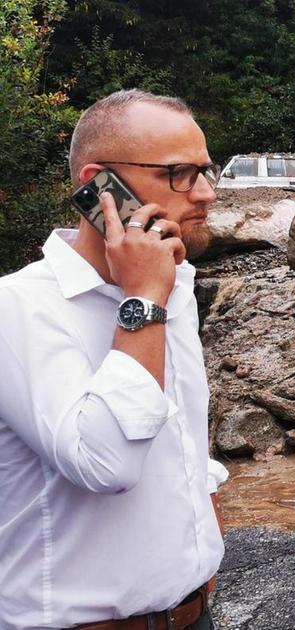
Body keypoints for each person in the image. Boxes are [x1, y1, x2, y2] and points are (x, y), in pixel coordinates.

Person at [0, 89, 227, 629]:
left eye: (206, 170)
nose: (206, 193)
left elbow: (183, 437)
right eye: (179, 173)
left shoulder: (173, 286)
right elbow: (106, 464)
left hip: (192, 615)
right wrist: (143, 301)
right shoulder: (18, 308)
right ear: (97, 184)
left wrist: (201, 542)